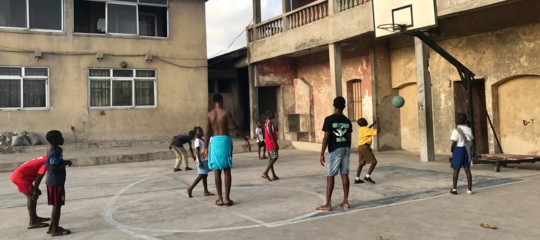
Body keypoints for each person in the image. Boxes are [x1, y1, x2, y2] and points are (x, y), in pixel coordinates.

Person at [202, 93, 250, 206]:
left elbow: (208, 132)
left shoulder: (209, 115)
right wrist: (245, 138)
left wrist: (205, 147)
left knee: (217, 171)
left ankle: (220, 199)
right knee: (227, 170)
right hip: (225, 140)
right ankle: (227, 198)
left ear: (213, 102)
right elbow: (235, 126)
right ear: (222, 101)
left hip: (214, 141)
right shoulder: (226, 113)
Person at [317, 96, 353, 211]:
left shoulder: (329, 119)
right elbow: (349, 138)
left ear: (334, 105)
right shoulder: (347, 121)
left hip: (335, 149)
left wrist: (322, 153)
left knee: (330, 175)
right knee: (344, 174)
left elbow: (326, 137)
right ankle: (345, 201)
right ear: (344, 107)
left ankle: (327, 204)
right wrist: (347, 149)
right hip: (346, 148)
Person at [9, 153, 51, 229]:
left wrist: (35, 188)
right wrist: (35, 188)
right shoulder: (47, 161)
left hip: (22, 176)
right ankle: (32, 222)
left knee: (34, 196)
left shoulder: (46, 156)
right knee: (31, 196)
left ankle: (35, 217)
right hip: (20, 177)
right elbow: (40, 175)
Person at [45, 130, 72, 236]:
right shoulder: (54, 152)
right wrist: (65, 162)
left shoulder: (56, 150)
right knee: (57, 205)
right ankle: (55, 230)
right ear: (53, 140)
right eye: (60, 137)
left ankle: (52, 226)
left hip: (55, 181)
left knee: (56, 205)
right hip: (55, 182)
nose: (63, 139)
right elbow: (54, 168)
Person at [187, 126, 214, 198]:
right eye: (200, 131)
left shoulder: (200, 139)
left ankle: (206, 191)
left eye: (202, 130)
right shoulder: (197, 141)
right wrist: (200, 162)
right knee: (201, 175)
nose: (202, 132)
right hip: (202, 160)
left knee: (205, 175)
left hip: (204, 159)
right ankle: (190, 188)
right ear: (196, 133)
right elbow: (197, 151)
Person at [450, 113, 474, 195]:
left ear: (457, 120)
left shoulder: (455, 130)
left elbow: (454, 142)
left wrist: (452, 149)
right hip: (466, 150)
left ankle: (454, 189)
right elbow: (471, 139)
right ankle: (469, 189)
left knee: (456, 170)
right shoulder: (469, 129)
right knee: (467, 170)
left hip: (458, 150)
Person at [354, 118, 379, 184]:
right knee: (374, 162)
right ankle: (367, 176)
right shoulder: (367, 130)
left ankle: (357, 179)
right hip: (365, 147)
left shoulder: (361, 129)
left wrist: (373, 124)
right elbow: (378, 131)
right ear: (365, 122)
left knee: (361, 163)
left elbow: (368, 128)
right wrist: (378, 123)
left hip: (360, 147)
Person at [261, 111, 279, 181]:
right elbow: (270, 133)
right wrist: (275, 144)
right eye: (272, 113)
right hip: (271, 143)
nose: (274, 114)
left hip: (268, 143)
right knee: (275, 157)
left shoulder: (266, 122)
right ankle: (265, 172)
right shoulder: (270, 122)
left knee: (271, 159)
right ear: (269, 115)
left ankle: (273, 175)